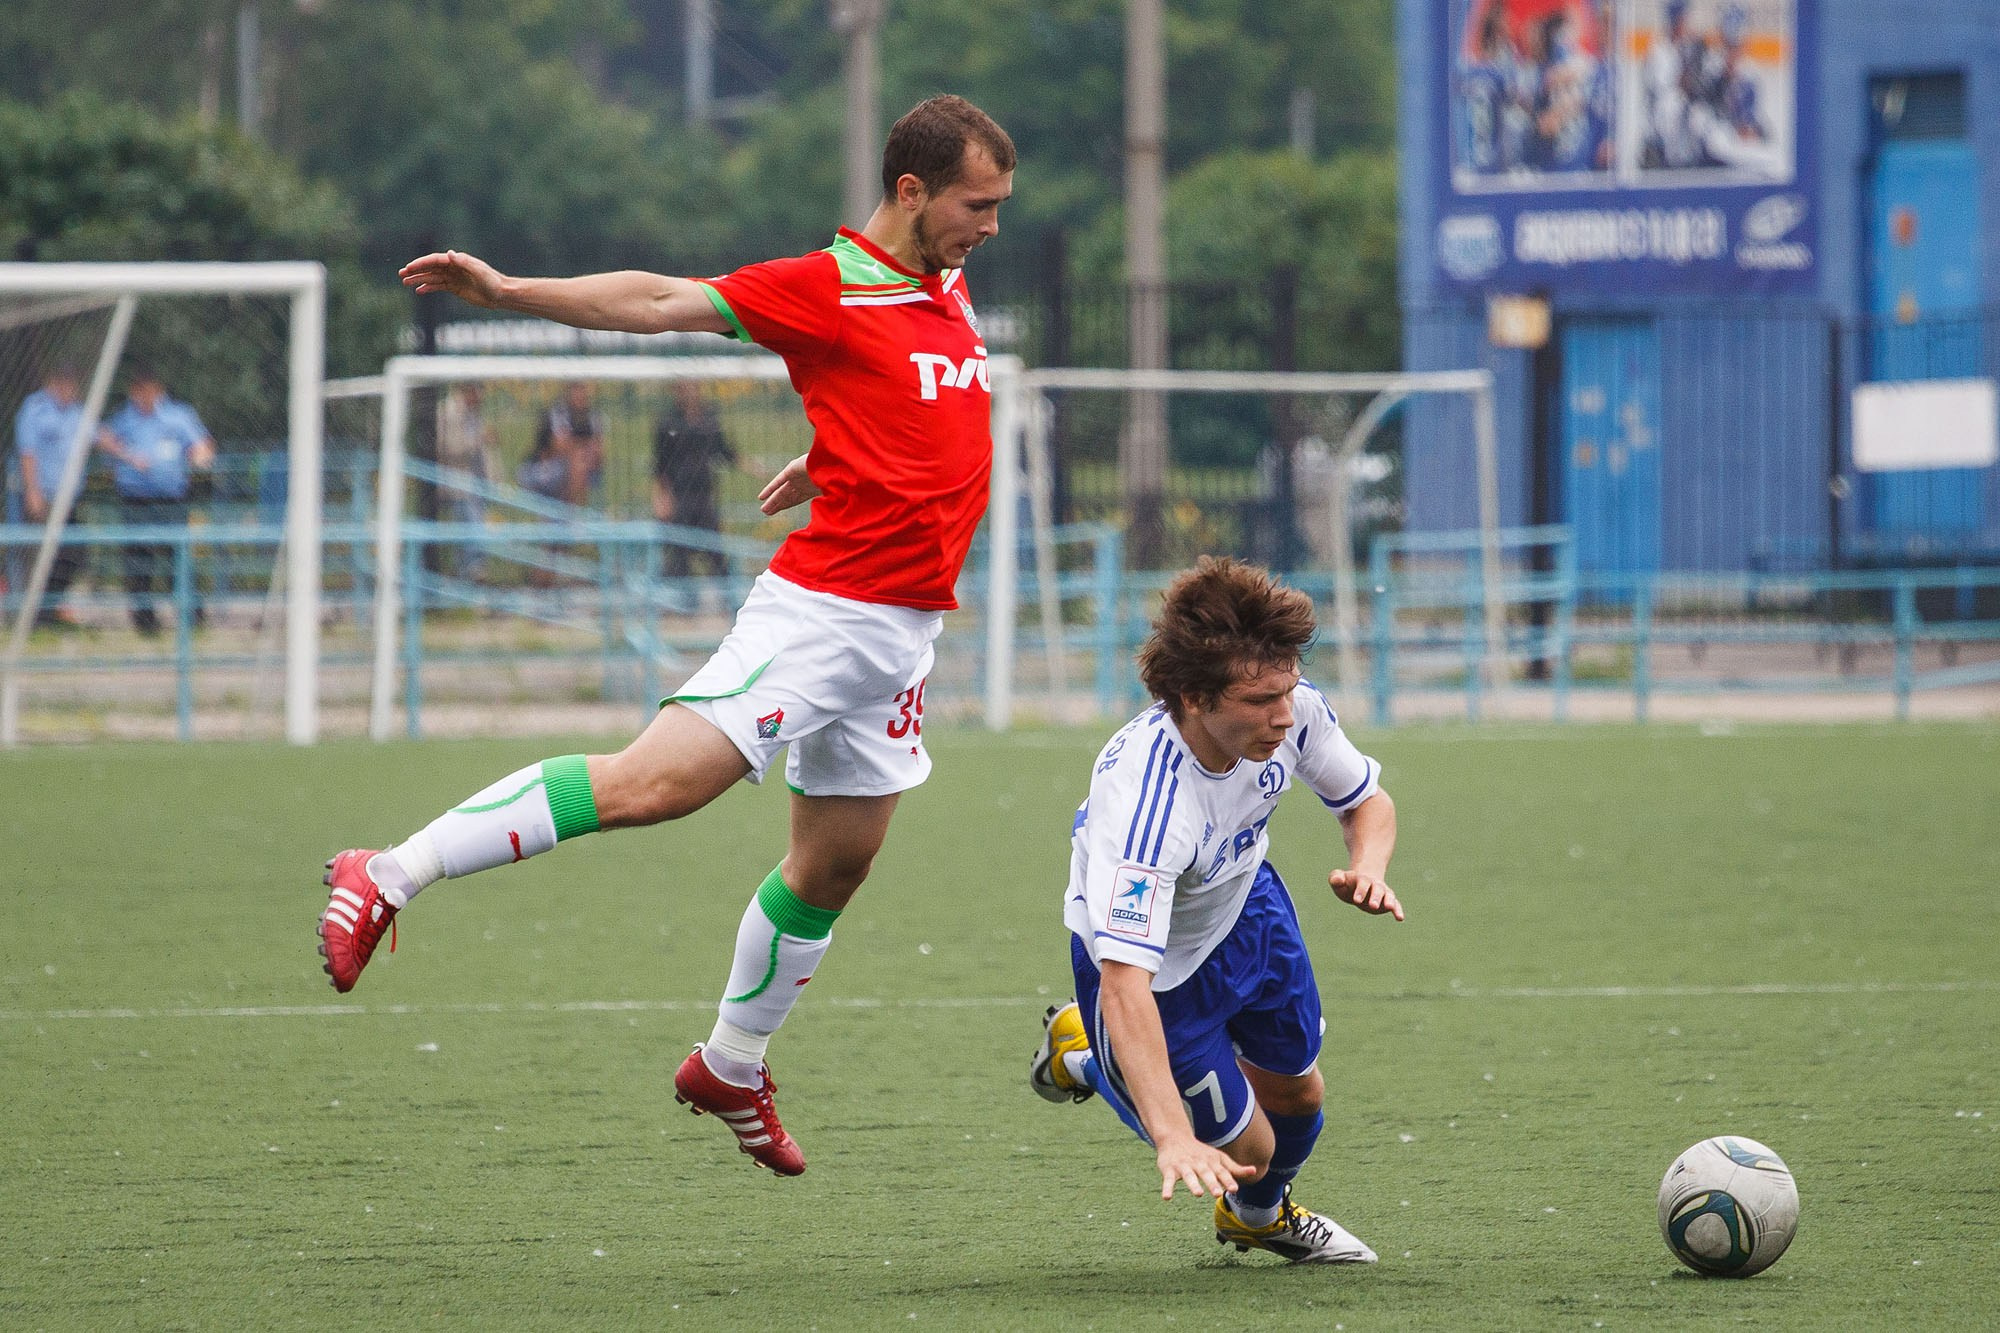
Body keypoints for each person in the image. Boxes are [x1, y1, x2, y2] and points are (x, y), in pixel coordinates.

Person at [318, 94, 1015, 1177]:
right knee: (657, 785)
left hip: (902, 636)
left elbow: (916, 408)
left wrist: (832, 451)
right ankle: (389, 870)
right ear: (911, 191)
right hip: (827, 612)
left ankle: (731, 1064)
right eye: (977, 204)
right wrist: (508, 290)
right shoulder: (825, 286)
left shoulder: (943, 281)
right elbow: (653, 299)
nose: (991, 226)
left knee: (835, 863)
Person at [1029, 557, 1403, 1263]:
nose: (1285, 715)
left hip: (1248, 910)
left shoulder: (1293, 710)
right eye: (1261, 699)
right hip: (1154, 973)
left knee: (1299, 1095)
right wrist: (1170, 1131)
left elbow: (1366, 802)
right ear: (1194, 697)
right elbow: (1124, 981)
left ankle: (1256, 1218)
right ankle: (1088, 1056)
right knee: (1252, 1148)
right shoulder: (1147, 808)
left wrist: (1368, 866)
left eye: (1287, 689)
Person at [99, 367, 215, 636]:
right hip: (135, 500)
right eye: (139, 389)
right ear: (133, 391)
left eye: (149, 389)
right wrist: (125, 457)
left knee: (179, 558)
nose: (144, 395)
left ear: (158, 389)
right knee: (139, 563)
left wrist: (200, 455)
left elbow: (202, 445)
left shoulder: (178, 416)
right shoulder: (123, 419)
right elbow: (104, 444)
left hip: (171, 499)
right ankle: (145, 622)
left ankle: (192, 617)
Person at [9, 364, 90, 628]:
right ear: (53, 384)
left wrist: (132, 455)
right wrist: (33, 490)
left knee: (75, 553)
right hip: (42, 497)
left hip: (68, 499)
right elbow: (27, 452)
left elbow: (98, 436)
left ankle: (47, 610)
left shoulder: (77, 413)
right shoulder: (35, 409)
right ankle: (31, 618)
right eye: (64, 385)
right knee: (38, 555)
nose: (69, 391)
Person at [652, 382, 737, 584]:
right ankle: (685, 603)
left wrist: (753, 467)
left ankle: (728, 598)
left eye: (693, 386)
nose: (689, 391)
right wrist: (662, 496)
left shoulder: (708, 419)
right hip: (679, 493)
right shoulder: (667, 422)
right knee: (679, 550)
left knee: (714, 550)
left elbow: (723, 450)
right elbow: (660, 464)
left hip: (704, 493)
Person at [435, 384, 497, 580]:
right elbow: (448, 447)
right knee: (469, 519)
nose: (481, 397)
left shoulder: (474, 413)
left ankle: (467, 568)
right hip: (455, 479)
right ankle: (474, 566)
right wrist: (479, 439)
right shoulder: (448, 411)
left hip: (475, 481)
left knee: (470, 521)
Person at [540, 381, 606, 508]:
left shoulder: (593, 416)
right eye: (577, 391)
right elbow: (559, 445)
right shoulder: (558, 413)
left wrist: (587, 452)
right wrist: (582, 448)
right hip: (550, 464)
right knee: (578, 463)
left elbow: (599, 449)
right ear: (569, 393)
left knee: (581, 464)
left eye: (583, 390)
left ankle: (573, 513)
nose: (581, 395)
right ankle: (570, 512)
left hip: (585, 464)